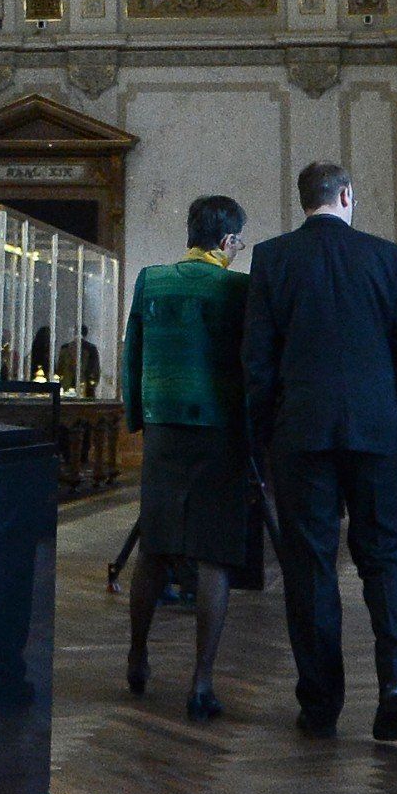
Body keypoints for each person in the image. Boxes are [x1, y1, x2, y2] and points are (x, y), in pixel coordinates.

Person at [244, 159, 397, 739]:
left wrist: (262, 434)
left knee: (311, 565)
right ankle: (396, 684)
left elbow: (258, 361)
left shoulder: (272, 258)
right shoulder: (383, 256)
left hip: (301, 432)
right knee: (386, 555)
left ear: (305, 201)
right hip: (376, 430)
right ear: (346, 196)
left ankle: (321, 702)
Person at [120, 194, 257, 720]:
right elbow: (249, 365)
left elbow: (132, 354)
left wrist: (138, 418)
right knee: (213, 559)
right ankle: (201, 683)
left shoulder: (151, 280)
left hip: (163, 429)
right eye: (238, 242)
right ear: (227, 242)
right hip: (219, 432)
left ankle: (137, 654)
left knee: (154, 546)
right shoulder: (239, 288)